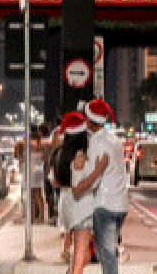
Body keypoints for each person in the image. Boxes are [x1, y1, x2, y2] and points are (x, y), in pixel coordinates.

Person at [73, 99, 129, 274]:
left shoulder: (96, 144)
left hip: (105, 205)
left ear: (89, 121)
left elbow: (94, 180)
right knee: (108, 252)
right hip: (120, 205)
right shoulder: (114, 140)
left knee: (106, 256)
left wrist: (78, 184)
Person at [55, 111, 94, 273]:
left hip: (67, 205)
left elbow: (55, 182)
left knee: (83, 254)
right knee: (80, 255)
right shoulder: (81, 157)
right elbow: (83, 185)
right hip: (81, 208)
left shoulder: (61, 155)